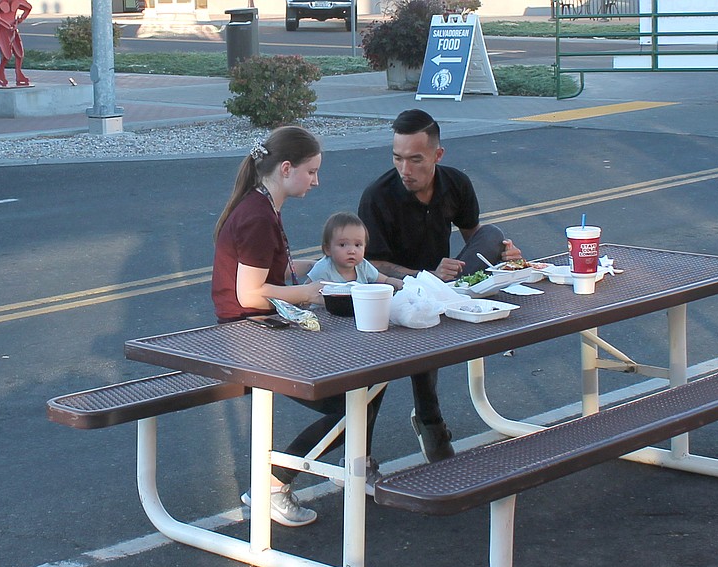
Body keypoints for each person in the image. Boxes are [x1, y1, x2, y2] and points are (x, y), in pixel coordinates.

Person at [212, 126, 385, 528]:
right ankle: (272, 484)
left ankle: (356, 465)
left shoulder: (261, 205)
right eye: (312, 171)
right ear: (286, 168)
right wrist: (310, 292)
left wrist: (318, 270)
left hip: (260, 325)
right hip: (248, 333)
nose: (316, 180)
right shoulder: (258, 217)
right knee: (352, 401)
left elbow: (269, 270)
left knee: (372, 381)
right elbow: (250, 294)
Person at [358, 109, 523, 464]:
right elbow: (369, 265)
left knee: (493, 234)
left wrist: (505, 253)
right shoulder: (377, 197)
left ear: (437, 155)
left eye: (416, 160)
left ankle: (430, 420)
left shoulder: (456, 184)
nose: (405, 170)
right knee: (375, 376)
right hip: (391, 291)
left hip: (444, 288)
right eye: (398, 158)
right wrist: (425, 277)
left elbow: (473, 238)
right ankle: (362, 456)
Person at [307, 212, 403, 289]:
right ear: (328, 249)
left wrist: (395, 282)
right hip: (324, 311)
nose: (352, 251)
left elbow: (384, 280)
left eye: (357, 245)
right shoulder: (323, 269)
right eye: (343, 245)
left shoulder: (363, 266)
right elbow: (306, 291)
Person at [0, 0, 33, 87]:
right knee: (7, 54)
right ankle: (0, 73)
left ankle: (19, 74)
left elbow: (28, 8)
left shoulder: (16, 1)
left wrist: (20, 20)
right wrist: (7, 26)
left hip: (12, 28)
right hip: (1, 29)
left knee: (19, 53)